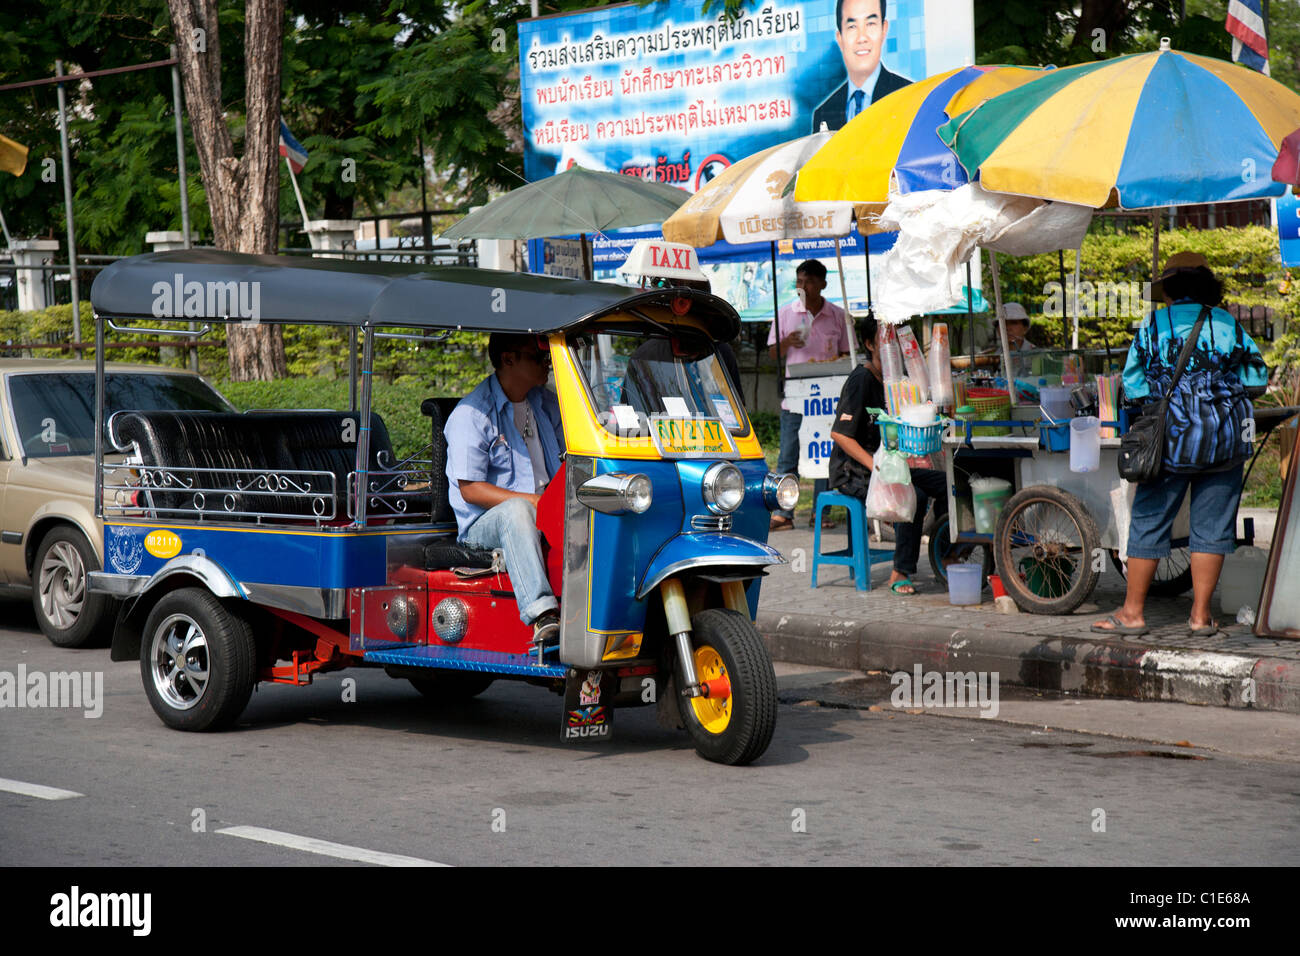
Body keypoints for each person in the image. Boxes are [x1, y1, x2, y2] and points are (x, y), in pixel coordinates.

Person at [1093, 252, 1268, 639]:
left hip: (1170, 441)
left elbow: (1134, 386)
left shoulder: (1154, 324)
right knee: (1213, 526)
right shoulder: (1227, 323)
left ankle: (1133, 613)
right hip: (1224, 441)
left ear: (1169, 288)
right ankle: (1201, 617)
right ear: (1207, 286)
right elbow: (1257, 379)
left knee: (1150, 520)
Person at [445, 332, 564, 646]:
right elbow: (471, 489)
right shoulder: (471, 414)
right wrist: (538, 502)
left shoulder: (546, 404)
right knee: (517, 511)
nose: (547, 363)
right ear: (508, 359)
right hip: (485, 524)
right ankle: (543, 615)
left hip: (546, 509)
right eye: (538, 357)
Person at [828, 314, 949, 594]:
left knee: (949, 486)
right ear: (871, 344)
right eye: (887, 338)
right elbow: (840, 435)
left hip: (893, 464)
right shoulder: (861, 380)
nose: (893, 344)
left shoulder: (899, 381)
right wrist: (876, 467)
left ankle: (947, 554)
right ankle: (900, 571)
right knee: (912, 495)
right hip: (855, 471)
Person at [767, 259, 851, 530]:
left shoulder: (838, 315)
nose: (803, 286)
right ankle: (784, 513)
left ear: (823, 284)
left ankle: (820, 512)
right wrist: (787, 342)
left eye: (809, 281)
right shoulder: (785, 314)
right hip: (795, 395)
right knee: (788, 454)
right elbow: (772, 353)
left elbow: (848, 355)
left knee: (825, 454)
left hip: (828, 398)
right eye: (799, 281)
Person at [812, 0, 912, 133]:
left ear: (884, 30)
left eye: (870, 24)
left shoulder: (908, 96)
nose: (862, 38)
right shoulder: (824, 113)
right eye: (852, 26)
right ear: (840, 38)